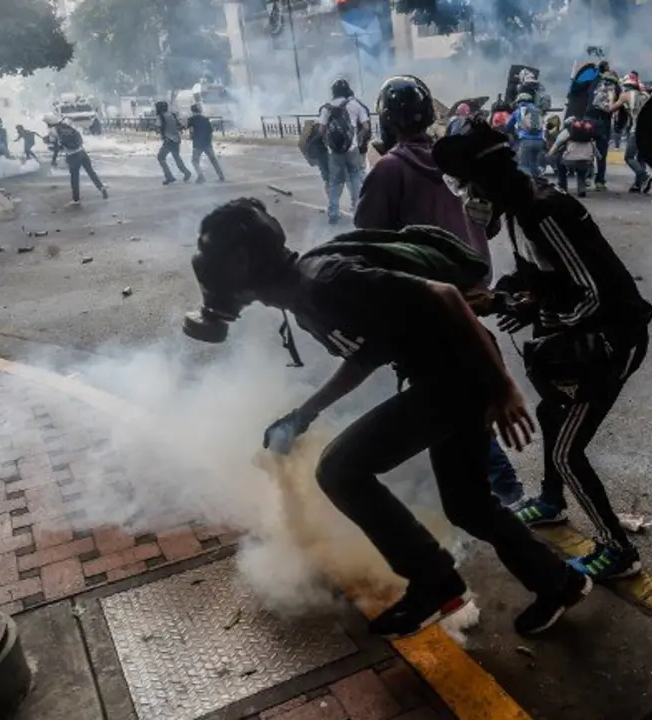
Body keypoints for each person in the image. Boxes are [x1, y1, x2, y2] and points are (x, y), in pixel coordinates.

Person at [184, 198, 592, 638]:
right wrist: (304, 413)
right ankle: (560, 583)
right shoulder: (304, 295)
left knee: (341, 469)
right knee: (468, 505)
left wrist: (503, 387)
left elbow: (445, 296)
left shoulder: (325, 282)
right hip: (449, 379)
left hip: (456, 380)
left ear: (244, 263)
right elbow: (368, 353)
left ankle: (435, 582)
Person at [434, 122, 652, 582]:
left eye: (469, 186)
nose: (468, 198)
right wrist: (508, 293)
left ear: (488, 179)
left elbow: (594, 296)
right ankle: (552, 503)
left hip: (616, 338)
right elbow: (539, 275)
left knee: (566, 452)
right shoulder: (519, 209)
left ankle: (619, 549)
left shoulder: (543, 211)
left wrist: (518, 307)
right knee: (553, 415)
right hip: (585, 333)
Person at [353, 74, 525, 505]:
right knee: (459, 381)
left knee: (446, 389)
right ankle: (471, 482)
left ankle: (505, 490)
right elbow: (491, 221)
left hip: (430, 295)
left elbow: (366, 237)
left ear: (386, 120)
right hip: (473, 285)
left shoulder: (390, 169)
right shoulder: (454, 160)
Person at [317, 78, 371, 225]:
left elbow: (321, 130)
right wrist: (358, 138)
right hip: (352, 149)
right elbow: (366, 126)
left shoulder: (326, 108)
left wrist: (328, 142)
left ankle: (333, 212)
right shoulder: (355, 104)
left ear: (333, 92)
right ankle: (357, 209)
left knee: (335, 182)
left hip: (334, 152)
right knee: (354, 177)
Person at [44, 114, 108, 206]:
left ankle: (76, 199)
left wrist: (53, 159)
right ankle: (101, 188)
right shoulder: (66, 125)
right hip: (82, 152)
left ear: (49, 123)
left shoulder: (53, 131)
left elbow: (56, 148)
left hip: (73, 156)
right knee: (91, 172)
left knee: (74, 178)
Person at [614, 73, 651, 193]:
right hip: (648, 131)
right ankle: (639, 185)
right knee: (640, 158)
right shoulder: (645, 94)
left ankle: (644, 176)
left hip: (636, 130)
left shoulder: (625, 95)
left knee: (629, 157)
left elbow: (611, 108)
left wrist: (610, 96)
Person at [548, 117, 598, 196]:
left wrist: (549, 155)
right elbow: (595, 150)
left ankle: (562, 187)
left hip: (569, 160)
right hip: (585, 160)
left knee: (559, 161)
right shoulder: (588, 133)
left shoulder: (566, 132)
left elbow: (556, 145)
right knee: (582, 168)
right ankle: (582, 188)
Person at [586, 74, 617, 191]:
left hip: (588, 120)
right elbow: (614, 107)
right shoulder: (615, 88)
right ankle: (599, 182)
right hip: (603, 123)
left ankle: (586, 177)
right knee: (602, 155)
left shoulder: (594, 83)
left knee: (587, 149)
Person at [506, 92, 547, 178]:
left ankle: (527, 187)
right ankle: (540, 183)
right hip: (539, 141)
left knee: (524, 166)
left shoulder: (518, 111)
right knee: (534, 164)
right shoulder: (538, 111)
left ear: (519, 101)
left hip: (526, 141)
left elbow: (508, 126)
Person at [155, 100, 191, 185]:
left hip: (168, 140)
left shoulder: (161, 116)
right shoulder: (172, 114)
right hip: (176, 139)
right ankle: (186, 172)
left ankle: (169, 177)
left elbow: (157, 126)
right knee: (177, 158)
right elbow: (180, 126)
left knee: (161, 157)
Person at [187, 104, 225, 183]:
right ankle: (221, 175)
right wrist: (209, 140)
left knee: (195, 161)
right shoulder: (205, 119)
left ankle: (201, 176)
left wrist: (192, 137)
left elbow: (191, 131)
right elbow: (210, 131)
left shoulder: (191, 120)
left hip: (197, 143)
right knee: (213, 159)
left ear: (192, 111)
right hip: (207, 143)